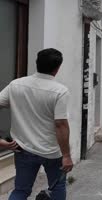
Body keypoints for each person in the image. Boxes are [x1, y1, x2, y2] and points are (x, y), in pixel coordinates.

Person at [0, 48, 73, 200]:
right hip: (52, 152)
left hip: (23, 149)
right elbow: (60, 124)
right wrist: (66, 155)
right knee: (57, 187)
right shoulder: (59, 91)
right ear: (57, 68)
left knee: (20, 190)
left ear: (37, 63)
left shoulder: (16, 85)